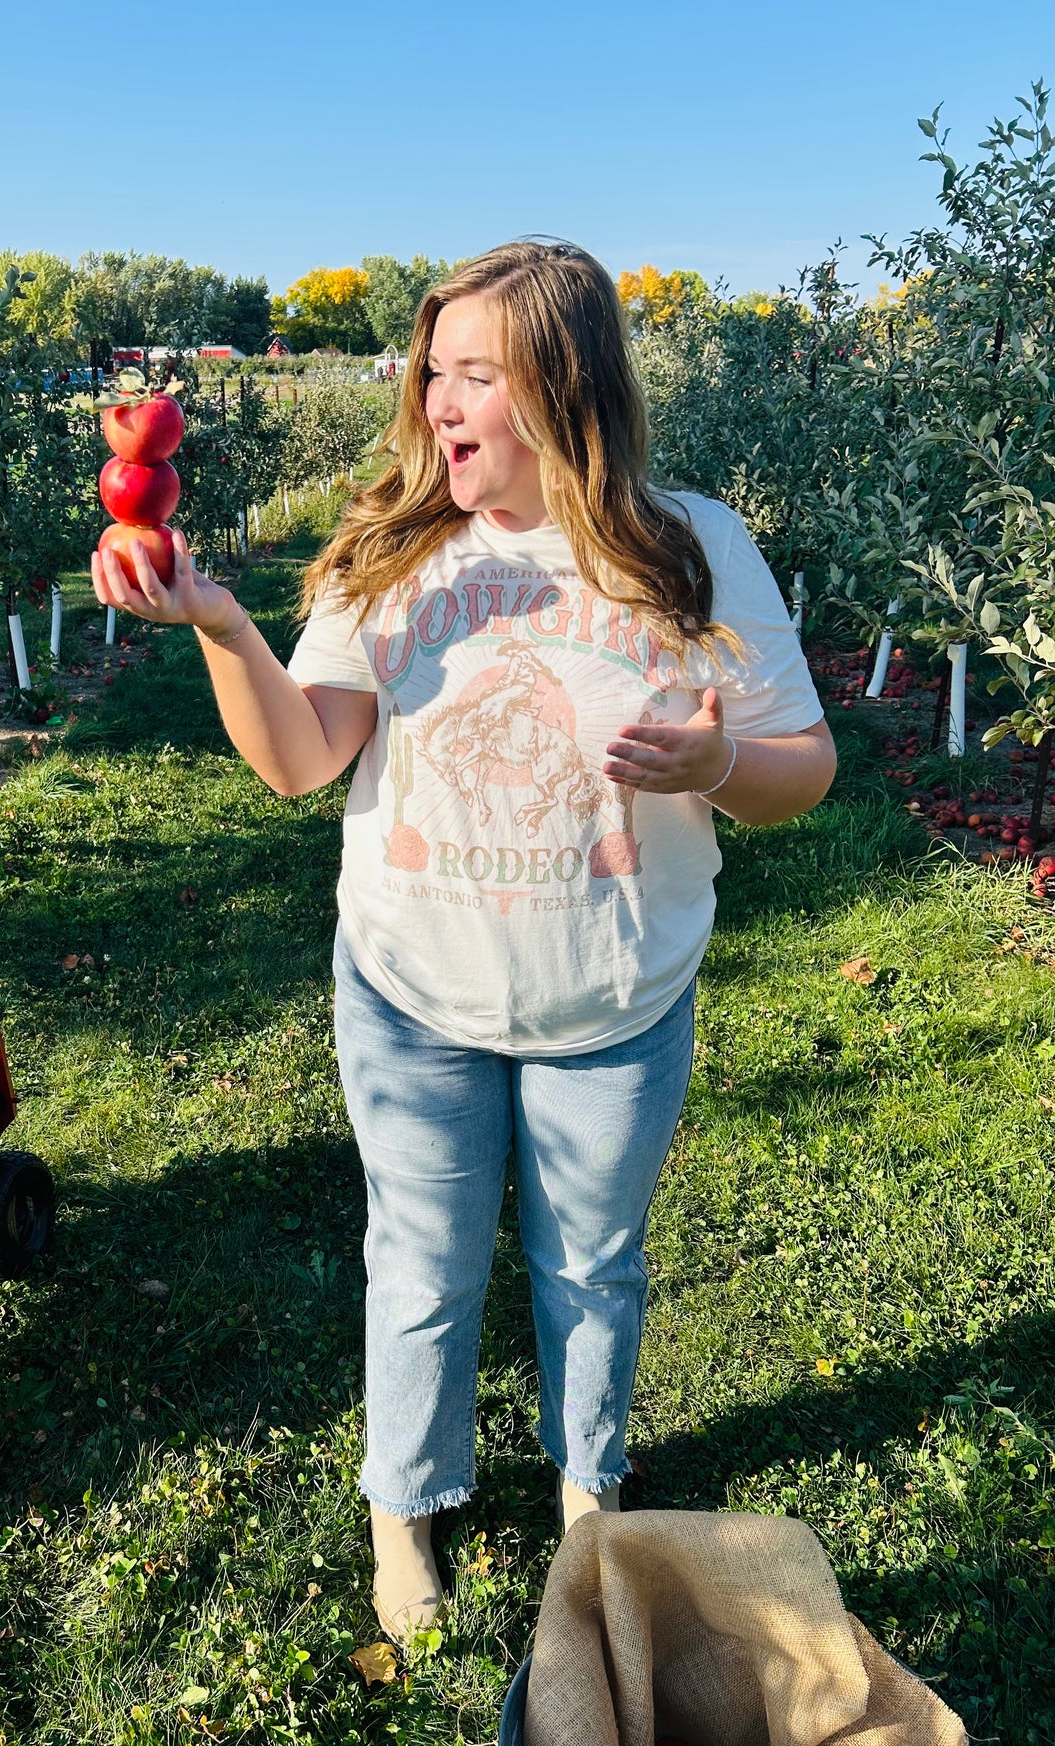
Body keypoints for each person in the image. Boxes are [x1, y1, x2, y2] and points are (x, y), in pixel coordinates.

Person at [92, 240, 836, 1642]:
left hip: (614, 997)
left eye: (473, 373)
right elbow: (304, 761)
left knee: (592, 1268)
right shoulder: (396, 549)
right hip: (414, 991)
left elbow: (802, 770)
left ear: (562, 388)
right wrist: (216, 623)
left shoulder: (691, 548)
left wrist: (712, 761)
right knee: (423, 1269)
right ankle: (404, 1503)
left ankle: (586, 1492)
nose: (437, 400)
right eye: (432, 369)